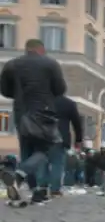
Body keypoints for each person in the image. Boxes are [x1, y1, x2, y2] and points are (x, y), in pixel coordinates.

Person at [0, 38, 67, 204]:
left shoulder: (11, 65)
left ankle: (34, 190)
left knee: (26, 151)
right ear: (41, 49)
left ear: (26, 49)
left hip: (21, 111)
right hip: (43, 112)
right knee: (45, 150)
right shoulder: (50, 64)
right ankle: (18, 176)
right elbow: (60, 89)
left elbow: (4, 90)